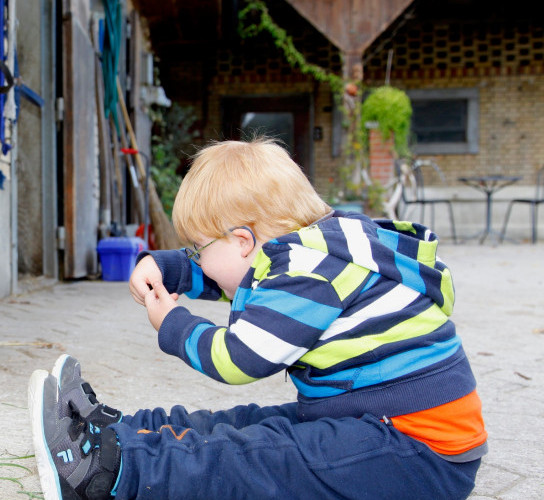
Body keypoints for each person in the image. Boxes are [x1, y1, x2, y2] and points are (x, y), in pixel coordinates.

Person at [28, 138, 486, 500]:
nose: (199, 262)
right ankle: (118, 430)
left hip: (418, 456)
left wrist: (174, 325)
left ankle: (109, 472)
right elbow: (245, 283)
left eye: (198, 250)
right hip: (378, 425)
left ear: (244, 241)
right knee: (250, 424)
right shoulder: (316, 252)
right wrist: (170, 267)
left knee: (256, 457)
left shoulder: (312, 272)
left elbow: (239, 359)